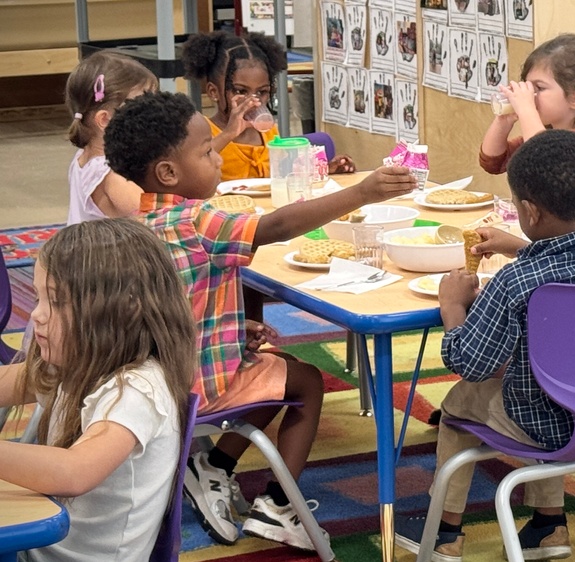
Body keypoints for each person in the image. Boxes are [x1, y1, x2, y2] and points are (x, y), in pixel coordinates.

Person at [103, 91, 416, 550]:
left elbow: (174, 301)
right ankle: (278, 505)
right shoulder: (198, 220)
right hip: (197, 386)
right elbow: (277, 228)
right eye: (208, 152)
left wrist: (226, 327)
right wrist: (361, 193)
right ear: (169, 172)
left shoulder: (141, 221)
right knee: (306, 381)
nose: (217, 159)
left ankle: (213, 465)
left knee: (273, 367)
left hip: (162, 371)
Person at [395, 129, 575, 561]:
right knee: (549, 381)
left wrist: (452, 306)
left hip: (544, 422)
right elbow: (569, 264)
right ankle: (549, 525)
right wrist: (526, 248)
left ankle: (445, 531)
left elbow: (469, 361)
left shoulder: (514, 284)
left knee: (460, 401)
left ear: (528, 210)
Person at [0, 218, 195, 561]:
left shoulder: (138, 389)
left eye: (56, 302)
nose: (36, 316)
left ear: (125, 309)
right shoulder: (77, 362)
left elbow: (74, 471)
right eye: (38, 298)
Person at [479, 33, 575, 225]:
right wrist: (503, 121)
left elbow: (549, 164)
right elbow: (492, 161)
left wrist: (527, 110)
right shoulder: (543, 133)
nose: (530, 96)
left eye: (539, 88)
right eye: (528, 87)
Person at [181, 30, 355, 181]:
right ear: (214, 92)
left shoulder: (268, 132)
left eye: (262, 92)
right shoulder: (202, 131)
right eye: (240, 91)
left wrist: (324, 170)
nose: (253, 101)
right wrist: (228, 134)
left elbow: (286, 175)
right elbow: (190, 174)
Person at [64, 51, 159, 223]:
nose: (153, 113)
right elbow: (155, 218)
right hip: (105, 250)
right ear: (105, 120)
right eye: (142, 107)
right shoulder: (111, 173)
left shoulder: (84, 155)